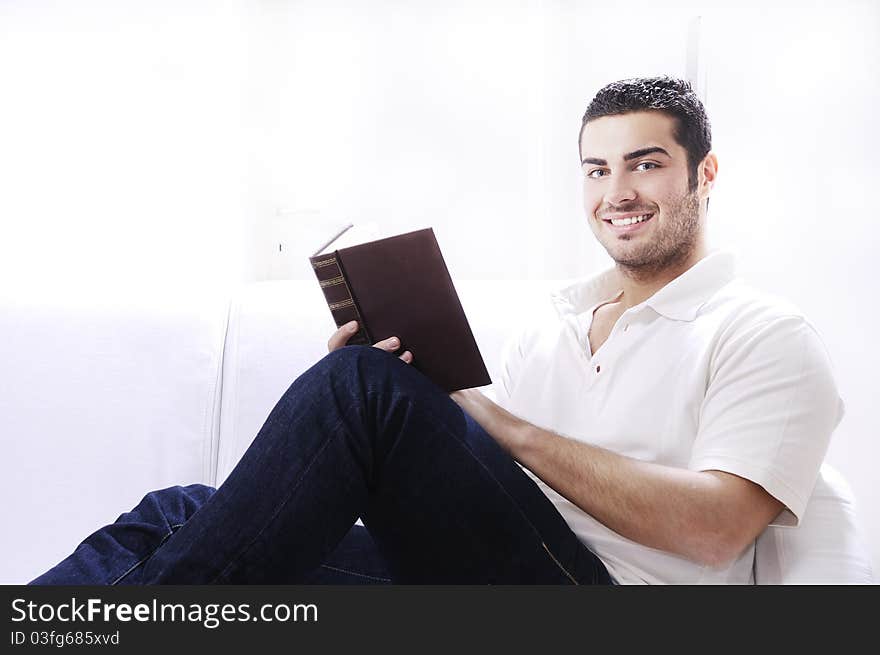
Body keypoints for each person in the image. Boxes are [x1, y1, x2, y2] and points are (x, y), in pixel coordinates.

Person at [30, 76, 842, 585]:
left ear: (704, 173)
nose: (617, 191)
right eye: (597, 169)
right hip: (488, 568)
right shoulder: (556, 322)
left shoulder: (763, 331)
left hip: (599, 590)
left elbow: (715, 531)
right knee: (180, 512)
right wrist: (403, 403)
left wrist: (470, 416)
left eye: (646, 163)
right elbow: (479, 490)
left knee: (361, 390)